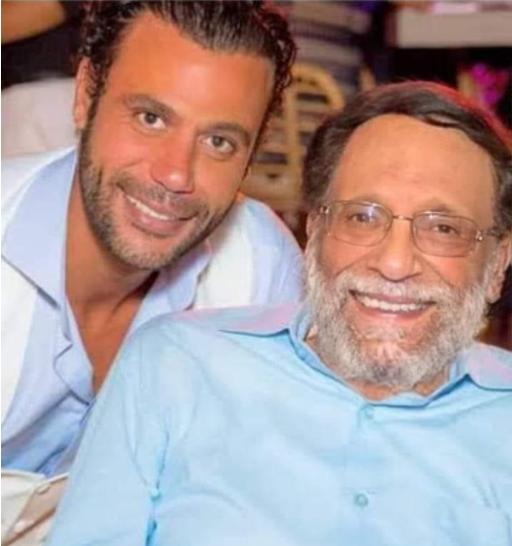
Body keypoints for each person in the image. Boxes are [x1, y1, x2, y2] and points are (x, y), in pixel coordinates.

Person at [46, 81, 512, 546]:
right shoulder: (176, 365)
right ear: (315, 232)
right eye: (363, 217)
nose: (394, 263)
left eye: (443, 228)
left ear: (497, 264)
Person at [1, 0, 304, 479]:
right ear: (85, 95)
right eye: (150, 118)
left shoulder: (259, 270)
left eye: (219, 142)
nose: (175, 174)